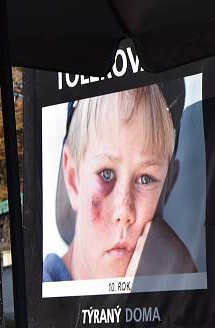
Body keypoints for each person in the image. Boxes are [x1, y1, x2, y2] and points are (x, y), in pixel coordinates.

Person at [43, 84, 196, 281]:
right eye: (106, 174)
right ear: (73, 179)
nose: (124, 212)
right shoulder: (38, 302)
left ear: (168, 187)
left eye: (145, 178)